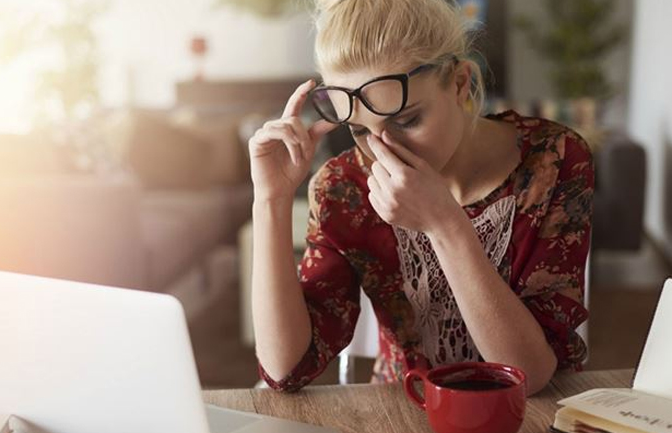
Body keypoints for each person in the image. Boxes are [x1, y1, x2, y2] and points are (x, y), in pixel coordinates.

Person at [248, 0, 593, 396]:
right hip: (402, 409)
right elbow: (286, 369)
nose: (385, 151)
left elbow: (529, 375)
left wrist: (445, 225)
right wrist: (270, 201)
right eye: (360, 131)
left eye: (407, 120)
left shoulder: (554, 159)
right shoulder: (345, 188)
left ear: (461, 82)